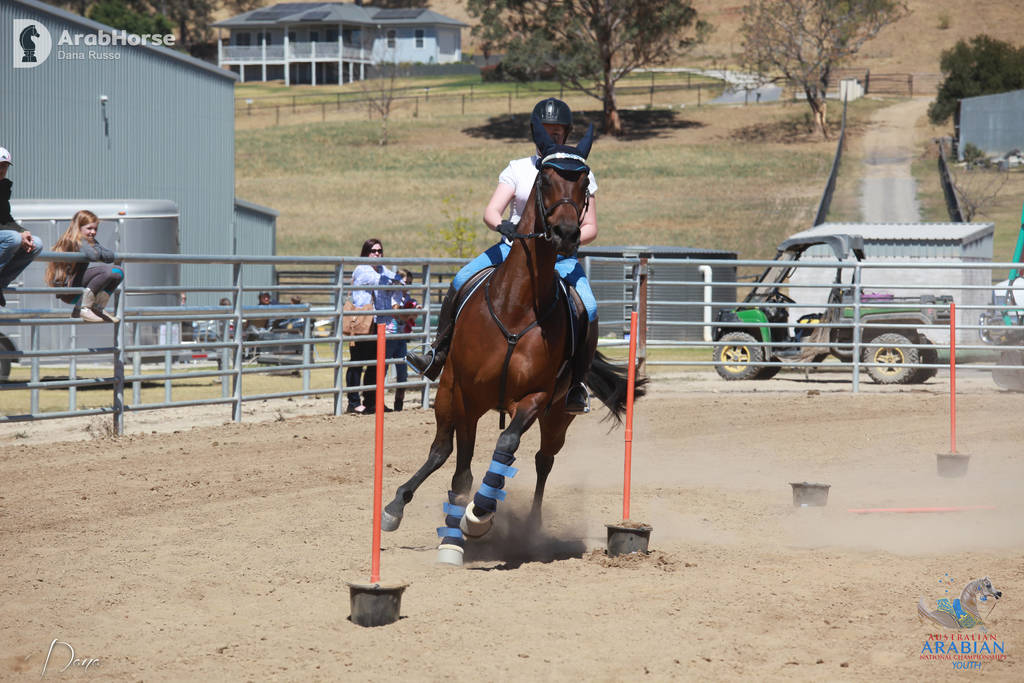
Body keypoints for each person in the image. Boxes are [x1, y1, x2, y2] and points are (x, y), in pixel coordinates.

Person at [407, 98, 599, 414]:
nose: (554, 136)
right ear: (538, 134)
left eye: (559, 131)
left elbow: (591, 226)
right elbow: (491, 210)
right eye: (549, 131)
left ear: (567, 133)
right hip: (511, 249)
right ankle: (437, 353)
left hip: (560, 257)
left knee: (589, 306)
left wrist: (572, 237)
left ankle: (576, 384)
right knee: (459, 278)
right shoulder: (518, 169)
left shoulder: (581, 173)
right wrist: (504, 226)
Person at [346, 238, 398, 415]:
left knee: (376, 365)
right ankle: (353, 402)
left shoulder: (383, 269)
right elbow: (383, 280)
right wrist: (395, 280)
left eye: (380, 251)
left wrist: (397, 280)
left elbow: (398, 280)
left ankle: (371, 401)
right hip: (362, 321)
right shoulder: (362, 269)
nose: (377, 254)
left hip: (379, 322)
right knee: (357, 363)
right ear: (366, 252)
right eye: (373, 250)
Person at [44, 209, 123, 323]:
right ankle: (83, 308)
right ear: (78, 228)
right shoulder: (73, 241)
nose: (93, 232)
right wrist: (97, 251)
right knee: (110, 271)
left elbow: (110, 256)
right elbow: (92, 255)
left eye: (95, 229)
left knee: (118, 272)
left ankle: (97, 308)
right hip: (68, 288)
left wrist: (96, 250)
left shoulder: (90, 242)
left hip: (77, 287)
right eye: (89, 228)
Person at [0, 146, 43, 308]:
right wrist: (18, 234)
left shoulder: (3, 187)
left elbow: (5, 218)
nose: (2, 170)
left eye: (4, 166)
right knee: (13, 238)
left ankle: (1, 283)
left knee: (36, 244)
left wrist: (23, 232)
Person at [387, 268, 420, 411]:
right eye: (406, 282)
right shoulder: (394, 295)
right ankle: (376, 400)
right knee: (383, 368)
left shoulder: (407, 298)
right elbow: (397, 313)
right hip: (389, 335)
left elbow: (412, 315)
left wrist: (412, 312)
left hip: (401, 337)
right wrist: (408, 315)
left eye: (410, 283)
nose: (408, 286)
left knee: (402, 372)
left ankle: (399, 402)